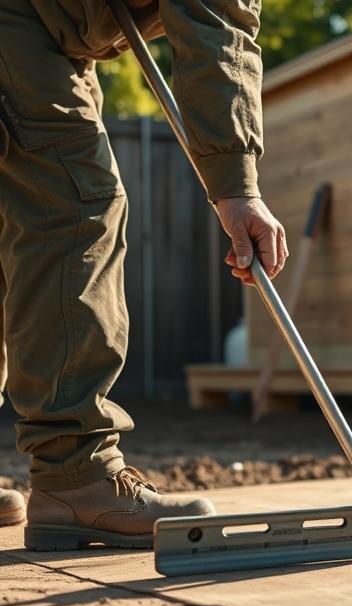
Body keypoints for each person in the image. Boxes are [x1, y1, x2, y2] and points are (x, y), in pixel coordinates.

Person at [0, 0, 288, 549]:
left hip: (46, 30)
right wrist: (237, 186)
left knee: (18, 216)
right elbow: (215, 24)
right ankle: (74, 476)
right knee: (75, 204)